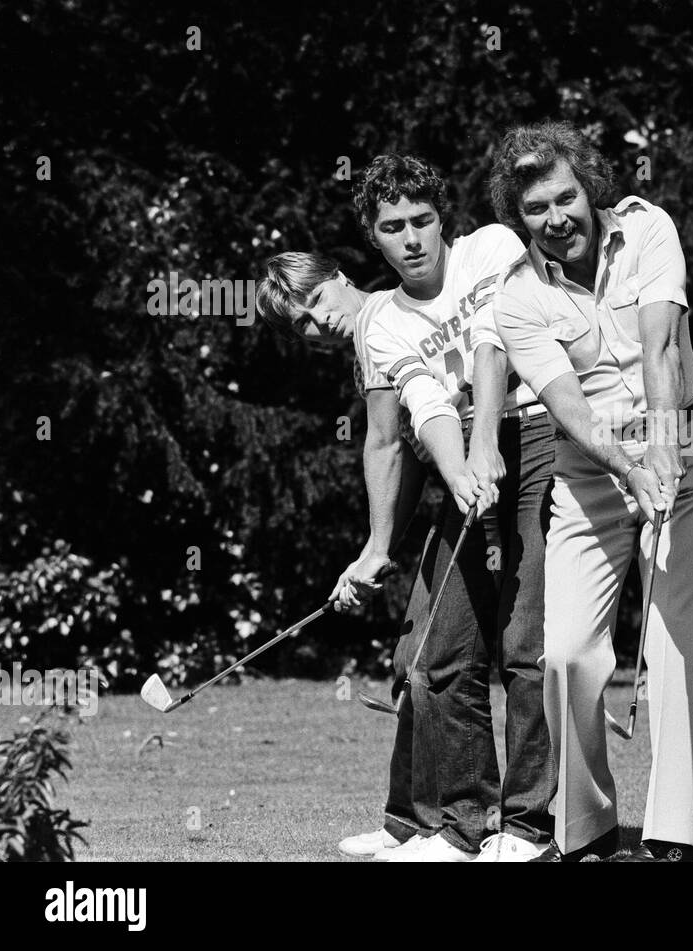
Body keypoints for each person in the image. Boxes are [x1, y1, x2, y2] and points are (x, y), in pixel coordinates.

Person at [489, 120, 693, 862]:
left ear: (587, 186)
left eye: (565, 197)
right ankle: (587, 830)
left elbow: (660, 344)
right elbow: (569, 409)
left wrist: (663, 453)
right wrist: (630, 469)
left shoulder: (646, 228)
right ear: (517, 216)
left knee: (677, 641)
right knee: (564, 651)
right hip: (591, 471)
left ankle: (678, 838)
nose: (557, 218)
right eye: (536, 209)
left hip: (685, 445)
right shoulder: (517, 299)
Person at [350, 153, 556, 862]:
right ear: (373, 237)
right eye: (391, 227)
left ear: (445, 219)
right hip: (469, 454)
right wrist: (461, 462)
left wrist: (484, 439)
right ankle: (466, 826)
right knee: (442, 652)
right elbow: (426, 403)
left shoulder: (492, 248)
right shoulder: (383, 321)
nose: (410, 238)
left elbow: (494, 343)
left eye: (421, 220)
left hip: (535, 434)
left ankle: (529, 828)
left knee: (527, 645)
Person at [255, 250, 437, 858]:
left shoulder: (383, 319)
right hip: (464, 493)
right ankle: (410, 823)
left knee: (452, 657)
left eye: (316, 299)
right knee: (417, 656)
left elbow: (385, 444)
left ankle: (484, 826)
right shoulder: (367, 347)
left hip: (507, 473)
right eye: (302, 321)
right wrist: (376, 549)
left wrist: (377, 547)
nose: (317, 319)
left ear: (341, 279)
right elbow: (409, 456)